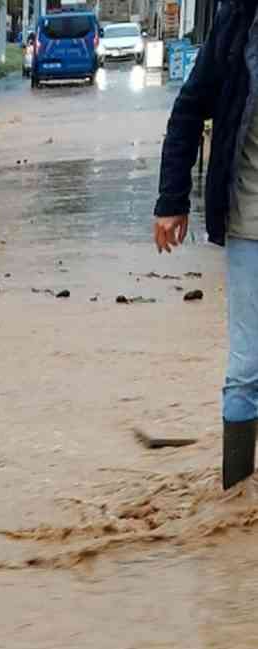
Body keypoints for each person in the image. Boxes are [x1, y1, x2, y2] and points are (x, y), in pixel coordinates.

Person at [156, 0, 258, 489]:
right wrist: (171, 199)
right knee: (246, 370)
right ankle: (234, 500)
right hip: (250, 221)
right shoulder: (237, 22)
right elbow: (190, 108)